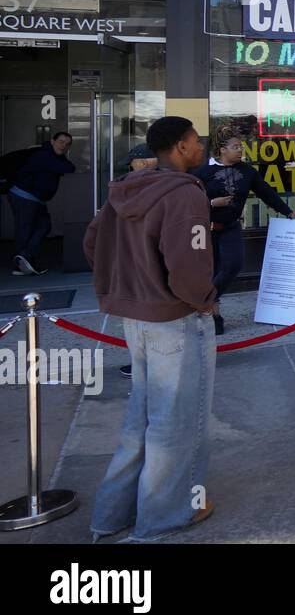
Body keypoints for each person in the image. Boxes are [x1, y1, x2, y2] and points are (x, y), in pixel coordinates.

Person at [85, 116, 217, 541]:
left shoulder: (124, 189)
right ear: (179, 146)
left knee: (141, 416)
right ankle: (163, 515)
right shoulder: (185, 193)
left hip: (133, 316)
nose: (201, 149)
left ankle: (110, 514)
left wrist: (128, 283)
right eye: (196, 142)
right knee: (176, 421)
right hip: (174, 317)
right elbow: (189, 264)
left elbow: (93, 241)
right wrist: (203, 300)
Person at [192, 126, 295, 335]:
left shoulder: (247, 171)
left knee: (233, 265)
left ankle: (207, 302)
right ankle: (214, 315)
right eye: (236, 147)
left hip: (231, 227)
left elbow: (266, 192)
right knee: (210, 272)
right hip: (204, 229)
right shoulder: (202, 172)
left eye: (242, 146)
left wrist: (288, 212)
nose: (241, 150)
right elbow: (188, 200)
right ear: (222, 149)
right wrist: (211, 203)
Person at [7, 131, 74, 275]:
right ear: (52, 141)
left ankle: (24, 258)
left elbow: (68, 166)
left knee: (43, 226)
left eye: (67, 144)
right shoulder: (44, 155)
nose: (64, 146)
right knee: (25, 229)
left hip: (34, 198)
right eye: (61, 141)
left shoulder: (54, 156)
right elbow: (68, 168)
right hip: (24, 196)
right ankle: (21, 262)